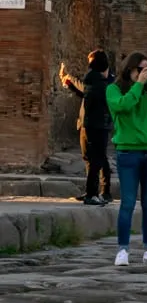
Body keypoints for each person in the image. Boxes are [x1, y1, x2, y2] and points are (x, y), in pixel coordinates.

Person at [106, 52, 147, 267]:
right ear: (130, 70)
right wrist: (139, 85)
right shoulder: (113, 89)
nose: (145, 74)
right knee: (127, 203)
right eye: (141, 69)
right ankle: (122, 250)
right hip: (127, 153)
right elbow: (122, 106)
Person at [60, 50, 114, 204]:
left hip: (95, 125)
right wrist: (69, 82)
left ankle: (99, 192)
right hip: (92, 124)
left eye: (90, 62)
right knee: (93, 159)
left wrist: (69, 80)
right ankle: (93, 193)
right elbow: (86, 93)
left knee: (95, 159)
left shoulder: (102, 82)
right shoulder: (96, 81)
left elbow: (86, 90)